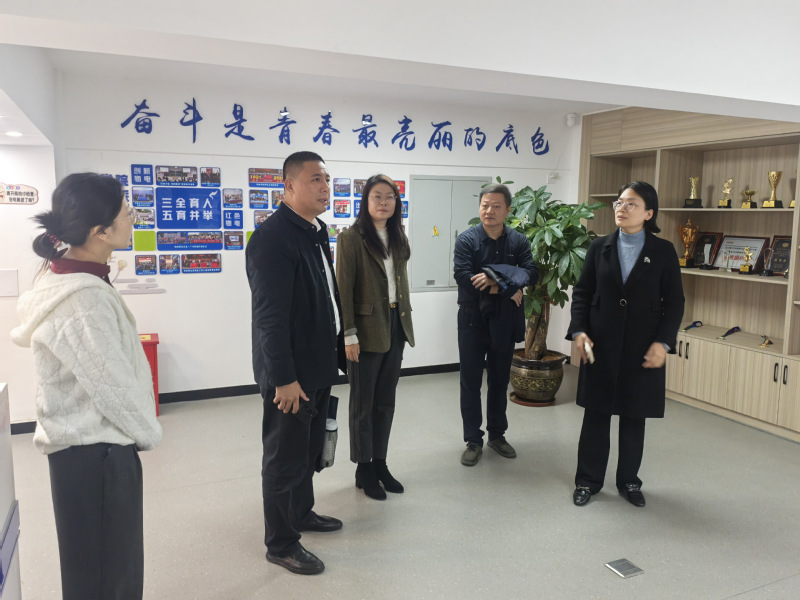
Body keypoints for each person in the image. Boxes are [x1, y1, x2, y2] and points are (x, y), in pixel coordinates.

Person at [10, 173, 162, 600]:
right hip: (97, 454)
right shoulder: (83, 299)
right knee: (108, 574)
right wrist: (148, 432)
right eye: (127, 213)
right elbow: (112, 385)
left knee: (97, 568)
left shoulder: (73, 278)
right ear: (100, 231)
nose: (133, 219)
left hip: (87, 450)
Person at [246, 151, 347, 575]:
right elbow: (269, 318)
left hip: (318, 365)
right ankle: (281, 542)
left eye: (327, 179)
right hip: (291, 376)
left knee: (307, 452)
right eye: (315, 179)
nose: (325, 187)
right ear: (288, 186)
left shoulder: (315, 231)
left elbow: (326, 297)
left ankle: (302, 513)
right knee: (283, 459)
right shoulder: (272, 238)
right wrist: (283, 379)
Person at [566, 181, 684, 508]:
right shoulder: (598, 247)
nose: (622, 208)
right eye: (619, 202)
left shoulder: (663, 251)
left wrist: (663, 342)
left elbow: (675, 302)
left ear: (649, 213)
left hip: (642, 347)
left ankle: (629, 481)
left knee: (634, 416)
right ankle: (588, 481)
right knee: (596, 416)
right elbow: (582, 293)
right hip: (601, 344)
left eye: (632, 204)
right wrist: (579, 330)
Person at [336, 175, 415, 501]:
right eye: (377, 196)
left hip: (396, 325)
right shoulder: (351, 238)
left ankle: (380, 463)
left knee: (385, 402)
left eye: (390, 197)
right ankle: (363, 468)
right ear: (365, 201)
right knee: (363, 405)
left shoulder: (398, 236)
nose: (384, 202)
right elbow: (344, 289)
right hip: (365, 331)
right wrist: (349, 334)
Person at [453, 183, 538, 466]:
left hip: (505, 319)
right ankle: (473, 440)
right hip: (472, 318)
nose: (489, 211)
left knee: (500, 380)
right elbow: (463, 276)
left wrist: (492, 279)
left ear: (508, 210)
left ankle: (497, 435)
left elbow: (531, 273)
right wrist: (506, 286)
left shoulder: (519, 241)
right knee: (470, 381)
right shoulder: (467, 240)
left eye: (496, 206)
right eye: (485, 205)